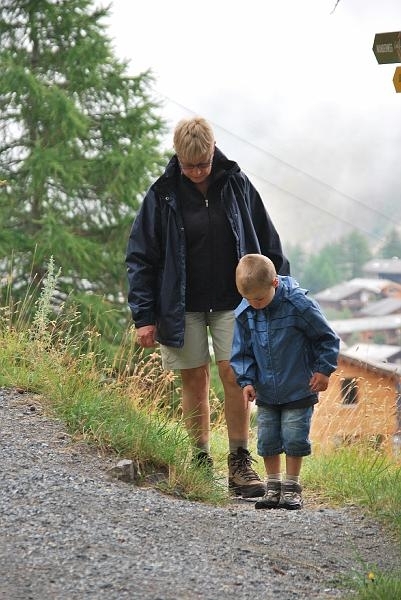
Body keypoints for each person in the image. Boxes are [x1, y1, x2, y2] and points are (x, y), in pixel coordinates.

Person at [125, 117, 290, 498]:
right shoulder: (162, 193)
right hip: (180, 306)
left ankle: (238, 463)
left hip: (235, 303)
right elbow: (140, 257)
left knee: (235, 375)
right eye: (190, 165)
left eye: (204, 163)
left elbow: (266, 238)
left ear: (213, 151)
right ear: (179, 158)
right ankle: (200, 460)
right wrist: (144, 317)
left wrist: (283, 290)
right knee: (194, 379)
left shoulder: (236, 184)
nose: (198, 172)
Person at [231, 254, 339, 509]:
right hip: (266, 390)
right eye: (249, 299)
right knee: (267, 439)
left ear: (275, 284)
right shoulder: (246, 312)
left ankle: (291, 486)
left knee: (294, 437)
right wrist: (246, 381)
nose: (255, 304)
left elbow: (326, 338)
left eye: (259, 298)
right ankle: (273, 486)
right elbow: (242, 351)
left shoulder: (298, 304)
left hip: (299, 386)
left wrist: (323, 370)